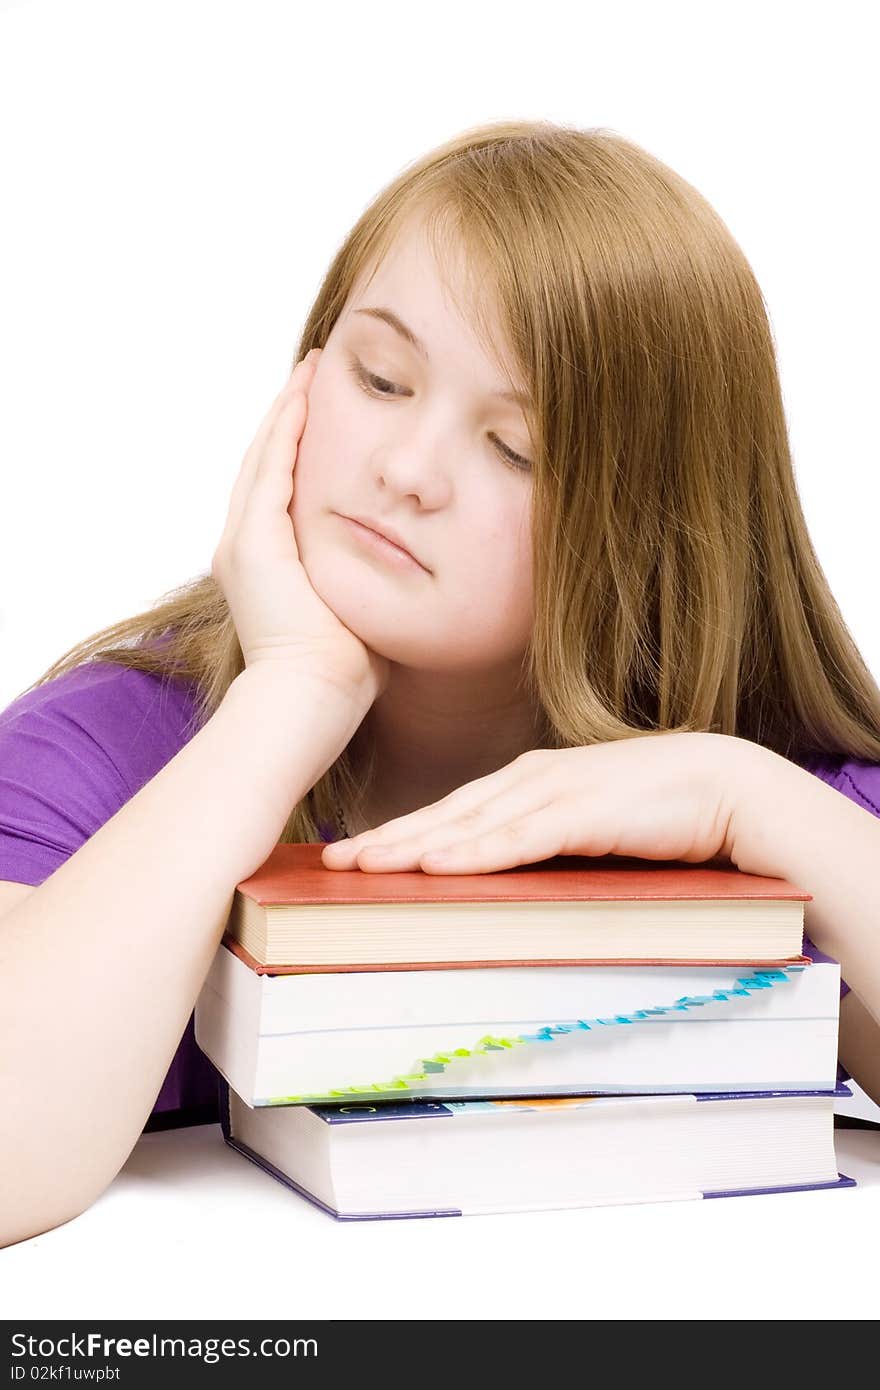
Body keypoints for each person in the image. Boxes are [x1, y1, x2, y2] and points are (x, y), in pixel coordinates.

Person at [1, 119, 878, 1248]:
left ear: (654, 528)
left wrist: (743, 795)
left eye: (513, 448)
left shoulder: (794, 810)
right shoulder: (109, 752)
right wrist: (292, 692)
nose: (405, 472)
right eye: (380, 377)